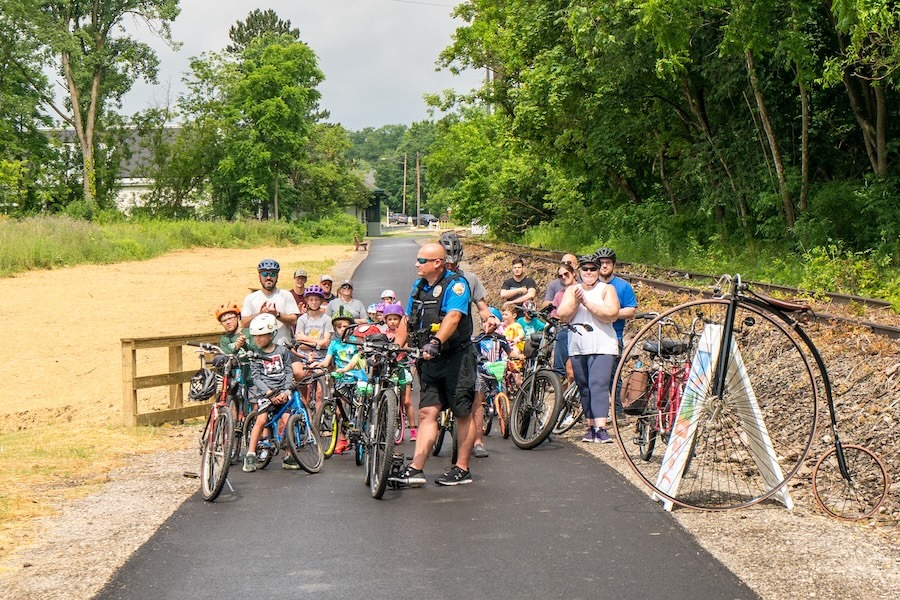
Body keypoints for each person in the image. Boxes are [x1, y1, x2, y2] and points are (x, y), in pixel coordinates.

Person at [389, 242, 476, 487]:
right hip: (429, 360)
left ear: (437, 263)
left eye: (422, 261)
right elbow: (408, 319)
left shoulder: (456, 285)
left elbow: (454, 316)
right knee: (427, 412)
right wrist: (397, 347)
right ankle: (416, 468)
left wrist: (436, 341)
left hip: (457, 358)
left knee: (461, 412)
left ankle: (462, 468)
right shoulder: (419, 287)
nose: (417, 264)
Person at [556, 254, 620, 444]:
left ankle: (601, 428)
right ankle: (590, 426)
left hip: (603, 344)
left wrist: (587, 303)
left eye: (593, 269)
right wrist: (576, 301)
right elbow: (563, 315)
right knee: (584, 386)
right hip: (578, 345)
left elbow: (611, 314)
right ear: (579, 271)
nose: (589, 272)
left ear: (599, 270)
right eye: (585, 269)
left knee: (598, 385)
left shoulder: (607, 289)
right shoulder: (571, 290)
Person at [243, 313, 298, 472]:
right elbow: (256, 378)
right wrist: (268, 392)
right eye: (255, 337)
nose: (257, 339)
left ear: (271, 333)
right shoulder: (256, 355)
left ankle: (289, 455)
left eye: (261, 336)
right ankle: (251, 454)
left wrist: (286, 389)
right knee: (261, 420)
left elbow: (288, 371)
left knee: (288, 421)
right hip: (265, 393)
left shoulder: (282, 351)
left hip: (282, 392)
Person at [309, 308, 367, 455]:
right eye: (339, 327)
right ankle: (341, 439)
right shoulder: (334, 344)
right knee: (338, 410)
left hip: (356, 378)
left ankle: (361, 430)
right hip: (341, 379)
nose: (343, 330)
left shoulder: (355, 342)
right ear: (335, 328)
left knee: (358, 406)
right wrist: (318, 364)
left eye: (346, 327)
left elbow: (361, 358)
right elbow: (327, 361)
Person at [240, 259, 305, 382]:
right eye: (265, 274)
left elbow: (294, 320)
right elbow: (243, 323)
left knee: (299, 373)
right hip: (260, 351)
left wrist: (276, 314)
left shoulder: (285, 295)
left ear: (277, 276)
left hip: (284, 347)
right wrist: (260, 314)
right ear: (259, 276)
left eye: (272, 274)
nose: (269, 277)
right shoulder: (251, 298)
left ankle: (301, 401)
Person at [595, 247, 638, 416]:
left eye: (607, 263)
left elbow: (631, 311)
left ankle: (618, 411)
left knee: (614, 375)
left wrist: (610, 314)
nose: (604, 266)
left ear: (613, 265)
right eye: (601, 263)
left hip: (615, 335)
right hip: (593, 334)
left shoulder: (623, 286)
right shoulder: (592, 285)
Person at [470, 307, 519, 458]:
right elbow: (475, 353)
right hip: (483, 370)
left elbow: (510, 352)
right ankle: (483, 413)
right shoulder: (478, 339)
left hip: (497, 369)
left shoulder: (501, 339)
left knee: (500, 389)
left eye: (490, 322)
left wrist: (517, 356)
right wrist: (478, 359)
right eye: (485, 322)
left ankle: (503, 412)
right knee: (481, 397)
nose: (487, 325)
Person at [382, 303, 416, 443]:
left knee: (407, 401)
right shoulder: (384, 334)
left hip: (403, 367)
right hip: (390, 369)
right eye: (390, 319)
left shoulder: (404, 333)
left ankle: (413, 429)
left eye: (396, 319)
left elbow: (409, 347)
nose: (393, 322)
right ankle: (387, 426)